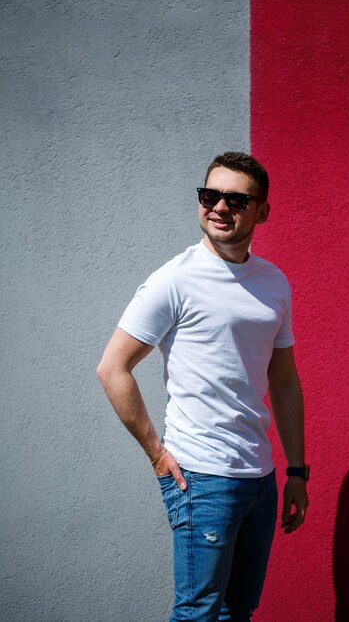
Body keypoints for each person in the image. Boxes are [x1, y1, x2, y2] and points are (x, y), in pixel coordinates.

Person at [97, 151, 309, 622]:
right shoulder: (174, 280)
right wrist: (156, 453)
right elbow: (113, 368)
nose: (219, 207)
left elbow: (285, 379)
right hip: (201, 479)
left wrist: (297, 470)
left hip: (260, 478)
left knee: (241, 612)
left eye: (236, 199)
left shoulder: (274, 283)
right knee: (198, 613)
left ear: (262, 211)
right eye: (209, 195)